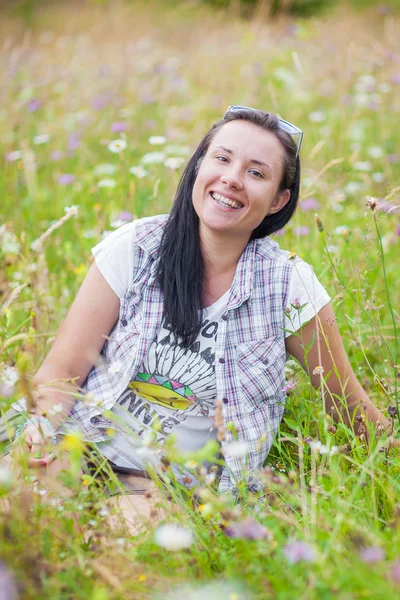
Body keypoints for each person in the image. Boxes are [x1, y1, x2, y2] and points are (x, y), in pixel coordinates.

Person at [0, 106, 393, 525]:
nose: (231, 178)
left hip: (168, 491)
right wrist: (37, 434)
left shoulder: (289, 286)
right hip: (78, 451)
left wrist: (388, 480)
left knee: (116, 533)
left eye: (256, 173)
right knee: (14, 509)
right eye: (221, 158)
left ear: (279, 200)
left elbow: (349, 406)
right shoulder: (135, 247)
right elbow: (61, 374)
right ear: (199, 166)